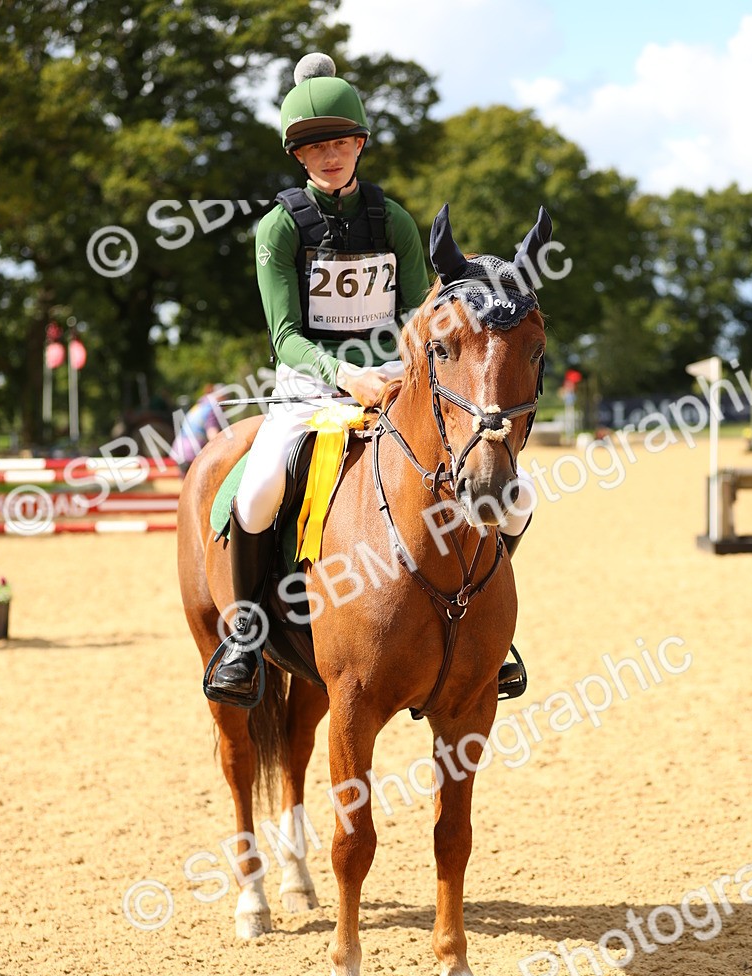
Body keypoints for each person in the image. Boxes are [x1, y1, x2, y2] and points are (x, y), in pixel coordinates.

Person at [211, 54, 533, 703]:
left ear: (359, 143)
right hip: (310, 386)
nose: (329, 154)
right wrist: (343, 375)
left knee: (516, 496)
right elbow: (285, 338)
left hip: (395, 377)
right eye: (313, 147)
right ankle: (246, 640)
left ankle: (485, 625)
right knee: (258, 490)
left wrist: (407, 369)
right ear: (297, 156)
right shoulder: (279, 228)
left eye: (339, 141)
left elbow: (421, 312)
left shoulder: (395, 221)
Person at [172, 384, 223, 477]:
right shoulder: (213, 408)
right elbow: (212, 434)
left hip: (179, 448)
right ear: (221, 396)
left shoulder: (200, 405)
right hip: (192, 451)